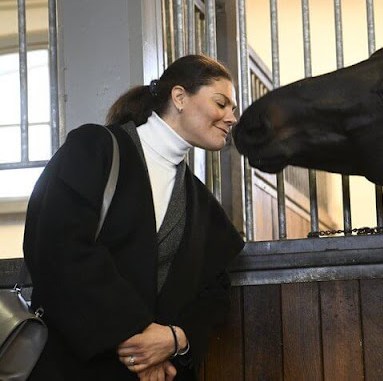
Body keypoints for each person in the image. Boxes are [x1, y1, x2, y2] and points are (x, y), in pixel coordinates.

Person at [23, 55, 245, 381]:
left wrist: (176, 339)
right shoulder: (94, 148)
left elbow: (215, 293)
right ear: (180, 97)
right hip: (75, 368)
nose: (231, 118)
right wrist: (138, 342)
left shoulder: (202, 202)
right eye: (221, 103)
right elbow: (59, 246)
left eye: (234, 109)